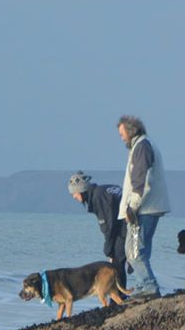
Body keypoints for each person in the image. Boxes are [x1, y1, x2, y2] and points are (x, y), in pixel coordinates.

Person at [117, 115, 171, 297]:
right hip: (148, 208)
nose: (121, 138)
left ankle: (148, 285)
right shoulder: (145, 145)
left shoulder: (141, 146)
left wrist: (132, 206)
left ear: (131, 131)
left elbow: (141, 180)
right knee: (140, 249)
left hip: (142, 209)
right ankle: (141, 286)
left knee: (134, 250)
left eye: (122, 133)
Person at [67, 171, 128, 291]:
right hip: (126, 224)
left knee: (117, 263)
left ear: (82, 190)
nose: (74, 197)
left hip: (126, 227)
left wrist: (108, 250)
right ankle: (123, 295)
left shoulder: (99, 197)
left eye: (74, 193)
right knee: (125, 259)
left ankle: (120, 296)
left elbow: (109, 225)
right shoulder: (101, 191)